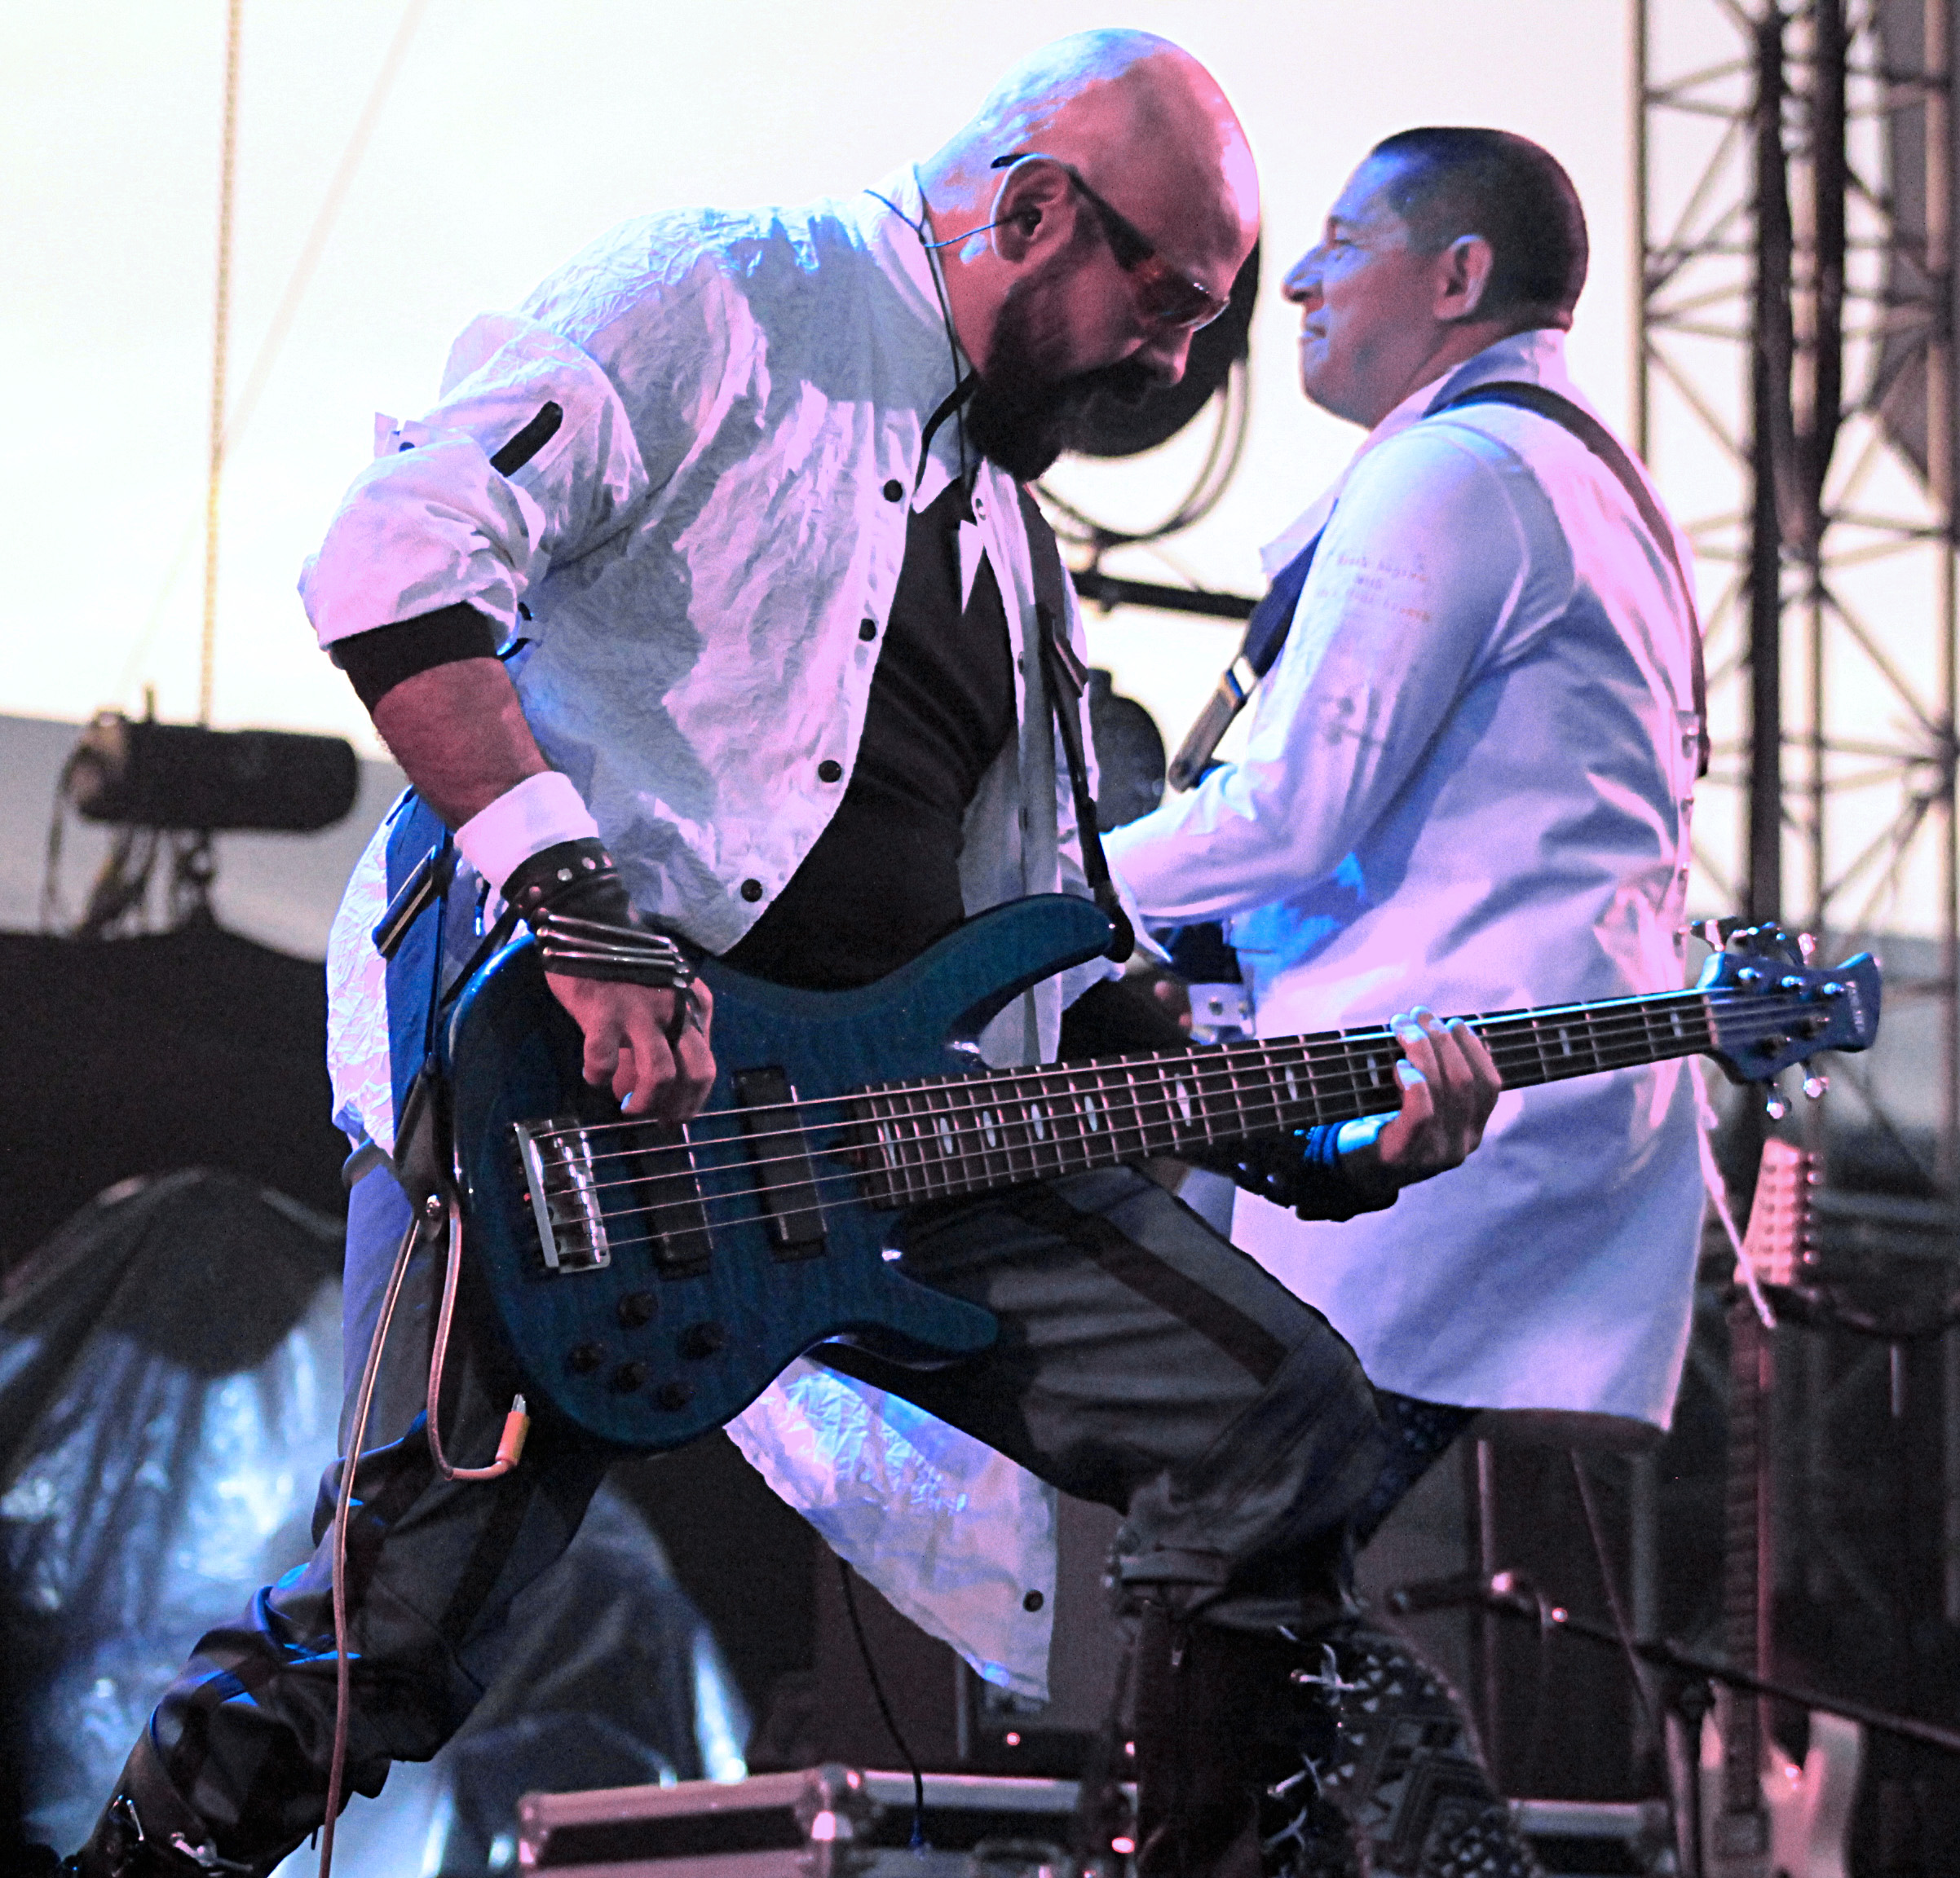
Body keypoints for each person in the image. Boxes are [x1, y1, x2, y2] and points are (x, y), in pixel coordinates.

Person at [61, 38, 1502, 1878]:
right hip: (558, 1105)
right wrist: (583, 917)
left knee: (1275, 1417)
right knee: (394, 1635)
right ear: (1032, 209)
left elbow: (1059, 986)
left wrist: (1321, 1136)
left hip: (876, 1144)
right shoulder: (728, 296)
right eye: (1166, 305)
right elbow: (391, 556)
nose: (1172, 365)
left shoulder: (1018, 553)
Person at [1107, 128, 1706, 1875]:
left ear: (1457, 278)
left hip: (1446, 1109)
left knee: (1235, 1551)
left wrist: (1032, 902)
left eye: (1341, 241)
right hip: (1524, 1108)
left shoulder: (1455, 476)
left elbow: (1288, 813)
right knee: (1252, 1562)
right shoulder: (1583, 480)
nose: (1292, 280)